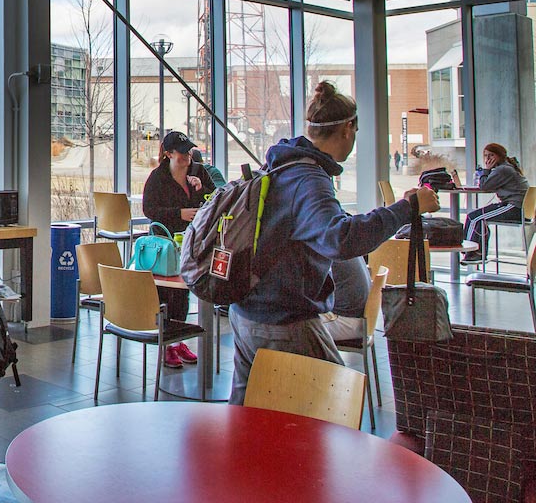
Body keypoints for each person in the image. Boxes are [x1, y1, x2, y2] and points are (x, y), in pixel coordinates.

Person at [227, 81, 438, 405]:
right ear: (348, 129)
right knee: (334, 413)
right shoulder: (309, 179)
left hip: (246, 312)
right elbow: (340, 239)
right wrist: (408, 208)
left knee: (247, 421)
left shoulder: (280, 167)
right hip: (283, 319)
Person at [143, 131, 215, 368]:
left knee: (184, 290)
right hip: (166, 243)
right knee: (167, 292)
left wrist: (201, 188)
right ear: (168, 154)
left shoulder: (199, 171)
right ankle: (167, 343)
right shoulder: (157, 178)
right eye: (181, 153)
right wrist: (178, 214)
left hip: (193, 241)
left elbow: (215, 197)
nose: (186, 156)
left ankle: (178, 340)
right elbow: (149, 209)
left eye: (188, 152)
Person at [461, 142, 528, 264]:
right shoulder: (505, 168)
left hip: (515, 207)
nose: (488, 159)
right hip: (513, 206)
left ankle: (470, 252)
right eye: (486, 156)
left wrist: (486, 171)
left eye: (491, 155)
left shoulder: (503, 169)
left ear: (500, 156)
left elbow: (484, 186)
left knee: (475, 218)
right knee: (477, 217)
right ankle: (477, 252)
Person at [319, 259, 371, 342]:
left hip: (348, 322)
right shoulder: (342, 248)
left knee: (297, 325)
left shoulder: (323, 251)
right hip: (362, 320)